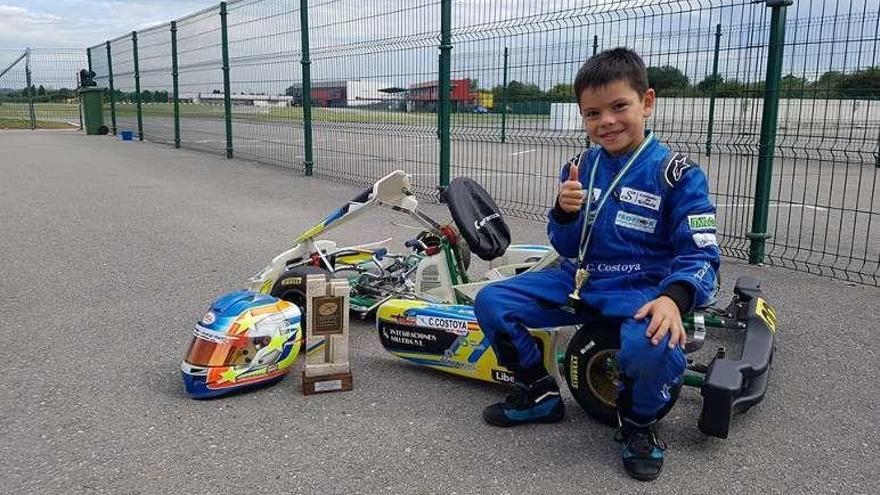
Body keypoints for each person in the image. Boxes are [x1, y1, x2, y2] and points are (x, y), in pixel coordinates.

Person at [473, 47, 720, 481]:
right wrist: (564, 213)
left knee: (654, 344)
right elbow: (566, 244)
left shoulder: (676, 174)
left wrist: (673, 298)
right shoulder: (579, 166)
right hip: (581, 279)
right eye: (592, 113)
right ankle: (538, 393)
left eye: (618, 106)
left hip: (643, 288)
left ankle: (639, 424)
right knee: (493, 300)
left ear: (647, 102)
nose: (606, 121)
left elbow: (700, 255)